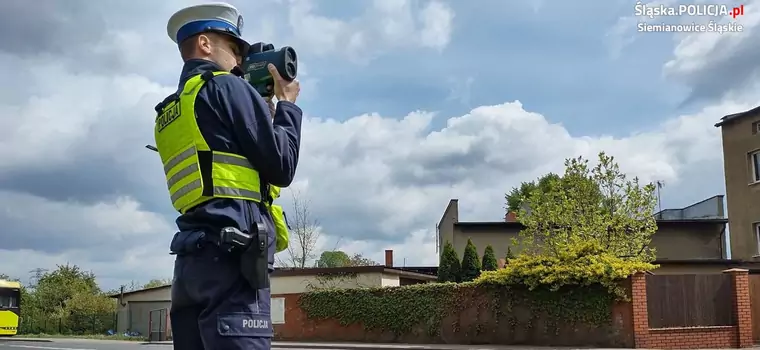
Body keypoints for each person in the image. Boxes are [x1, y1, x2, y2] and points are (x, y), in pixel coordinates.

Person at [153, 3, 302, 349]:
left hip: (192, 264)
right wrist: (287, 107)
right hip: (234, 260)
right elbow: (282, 166)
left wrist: (260, 107)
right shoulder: (225, 88)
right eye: (235, 49)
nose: (239, 62)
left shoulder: (171, 109)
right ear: (205, 44)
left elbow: (219, 156)